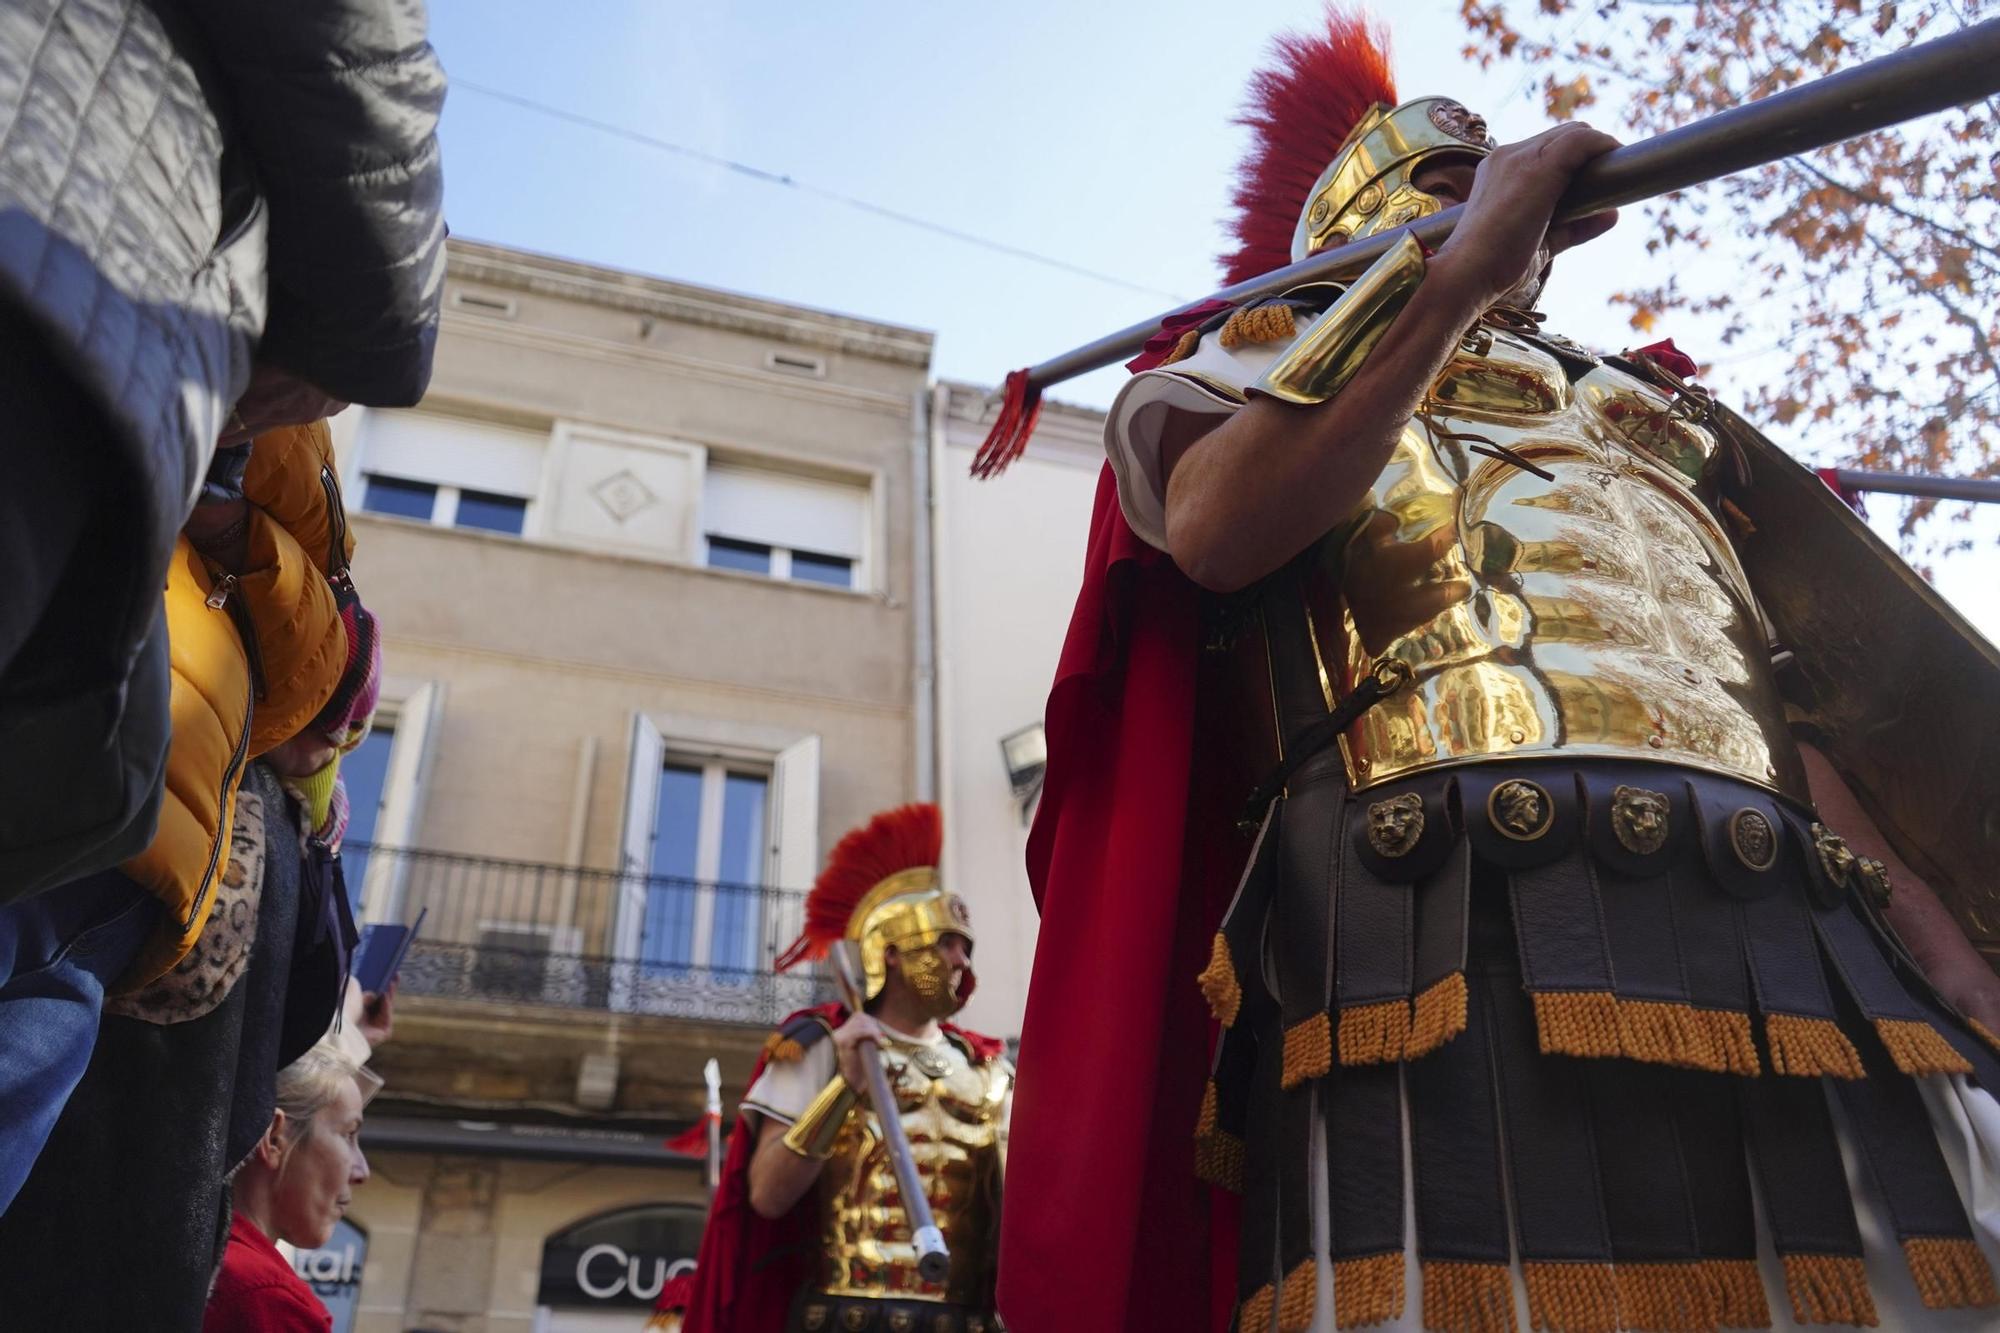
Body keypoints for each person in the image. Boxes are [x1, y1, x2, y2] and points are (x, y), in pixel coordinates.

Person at [999, 11, 2000, 1332]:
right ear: (1371, 217)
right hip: (1441, 875)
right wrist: (1456, 272)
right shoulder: (1241, 362)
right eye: (1454, 177)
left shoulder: (1649, 400)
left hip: (1788, 893)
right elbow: (1219, 532)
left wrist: (1941, 934)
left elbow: (1773, 687)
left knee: (1937, 1283)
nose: (1506, 191)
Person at [0, 0, 446, 899]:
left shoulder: (316, 524)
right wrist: (375, 335)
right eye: (346, 732)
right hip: (75, 248)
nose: (330, 749)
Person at [681, 804, 1014, 1333]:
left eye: (966, 949)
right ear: (894, 955)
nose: (961, 962)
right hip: (843, 1315)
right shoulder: (819, 1045)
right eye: (945, 945)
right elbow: (767, 1196)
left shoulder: (992, 1072)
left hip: (967, 1320)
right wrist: (844, 1087)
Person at [204, 1041, 376, 1333]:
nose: (362, 1171)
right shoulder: (263, 1298)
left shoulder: (192, 1251)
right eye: (348, 1134)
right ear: (274, 1138)